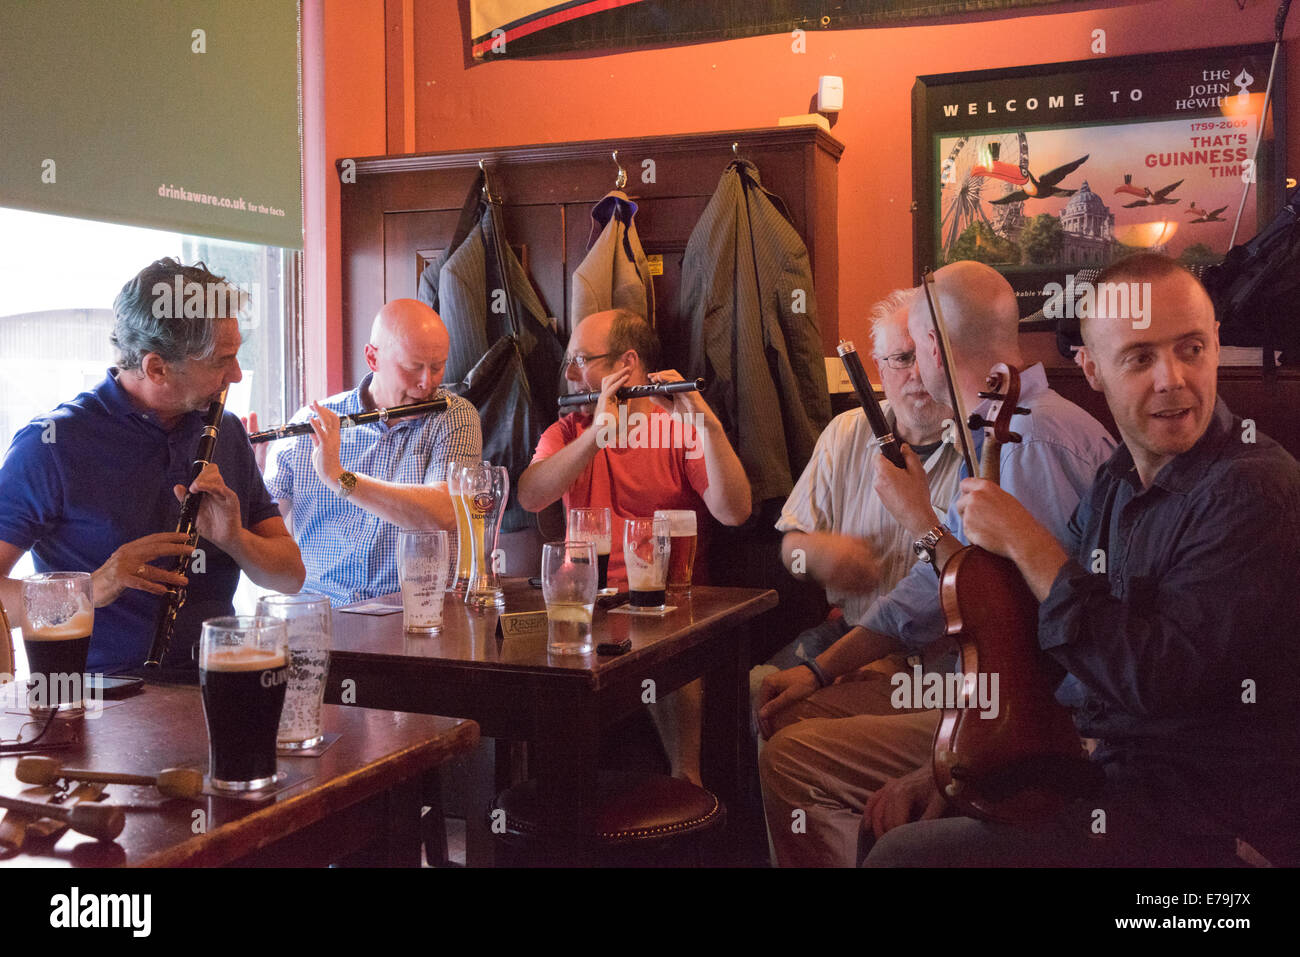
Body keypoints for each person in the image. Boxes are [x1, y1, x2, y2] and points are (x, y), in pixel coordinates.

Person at [864, 254, 1300, 867]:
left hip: (1204, 827)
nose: (1172, 378)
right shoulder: (1119, 481)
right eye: (1140, 357)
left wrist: (1027, 542)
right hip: (1109, 780)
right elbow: (1030, 638)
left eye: (1192, 349)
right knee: (895, 833)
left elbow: (1150, 680)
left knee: (902, 861)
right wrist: (956, 768)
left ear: (1217, 347)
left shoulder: (1254, 487)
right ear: (1091, 369)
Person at [756, 260, 1116, 867]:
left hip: (1029, 713)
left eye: (912, 351)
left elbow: (999, 615)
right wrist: (820, 671)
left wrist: (917, 518)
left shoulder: (1028, 441)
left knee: (791, 756)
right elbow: (933, 587)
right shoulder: (1002, 426)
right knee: (783, 703)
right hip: (996, 692)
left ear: (930, 346)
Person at [0, 258, 305, 675]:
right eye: (221, 360)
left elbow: (290, 577)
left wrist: (234, 538)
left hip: (218, 681)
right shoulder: (51, 444)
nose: (235, 374)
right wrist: (90, 590)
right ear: (156, 367)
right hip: (100, 702)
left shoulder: (225, 430)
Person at [518, 308, 752, 782]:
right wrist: (596, 438)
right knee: (518, 654)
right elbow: (530, 495)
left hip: (665, 610)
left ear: (627, 364)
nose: (568, 375)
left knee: (666, 644)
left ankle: (687, 787)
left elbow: (735, 511)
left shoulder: (677, 428)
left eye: (581, 360)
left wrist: (710, 428)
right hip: (582, 606)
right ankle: (553, 813)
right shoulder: (567, 432)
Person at [766, 288, 961, 672]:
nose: (917, 373)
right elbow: (791, 546)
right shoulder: (845, 432)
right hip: (850, 633)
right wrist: (819, 555)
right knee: (754, 695)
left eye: (926, 355)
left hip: (944, 649)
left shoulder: (984, 443)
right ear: (877, 367)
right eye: (903, 358)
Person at [260, 298, 482, 605]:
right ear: (372, 358)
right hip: (323, 616)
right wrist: (246, 487)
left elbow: (442, 513)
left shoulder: (453, 415)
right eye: (413, 367)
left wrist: (341, 479)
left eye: (437, 367)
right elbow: (262, 538)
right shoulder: (309, 426)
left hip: (414, 614)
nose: (426, 382)